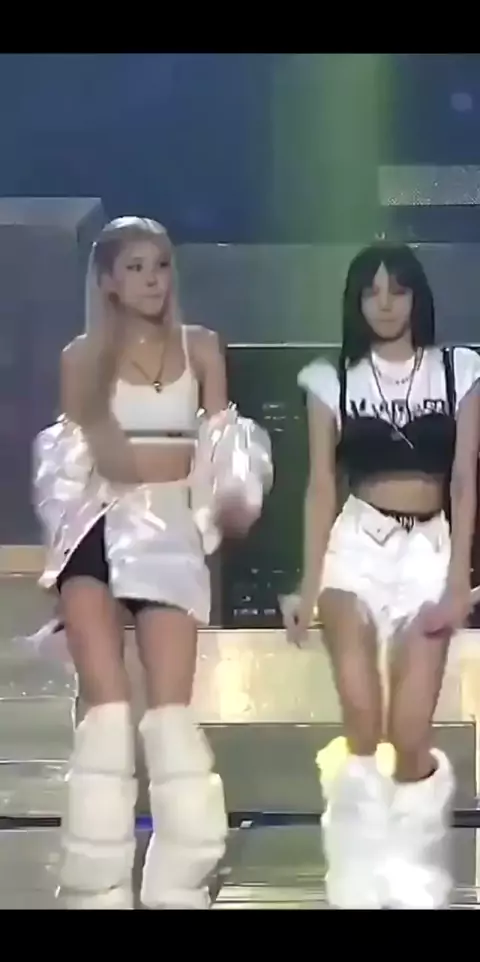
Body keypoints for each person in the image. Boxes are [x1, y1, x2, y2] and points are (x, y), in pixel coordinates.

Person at [32, 216, 272, 910]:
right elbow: (82, 464)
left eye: (161, 266)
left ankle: (178, 886)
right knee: (107, 714)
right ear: (108, 280)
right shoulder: (83, 357)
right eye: (135, 268)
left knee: (170, 716)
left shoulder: (201, 348)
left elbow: (223, 454)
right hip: (98, 527)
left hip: (168, 531)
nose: (151, 280)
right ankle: (97, 890)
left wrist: (227, 502)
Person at [283, 242, 480, 910]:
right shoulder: (330, 378)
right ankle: (358, 883)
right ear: (356, 303)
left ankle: (414, 877)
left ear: (417, 297)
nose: (386, 303)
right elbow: (319, 487)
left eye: (398, 289)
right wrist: (308, 583)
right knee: (362, 720)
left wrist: (459, 580)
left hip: (429, 552)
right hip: (355, 549)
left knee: (411, 734)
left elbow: (464, 479)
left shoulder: (459, 370)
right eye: (372, 291)